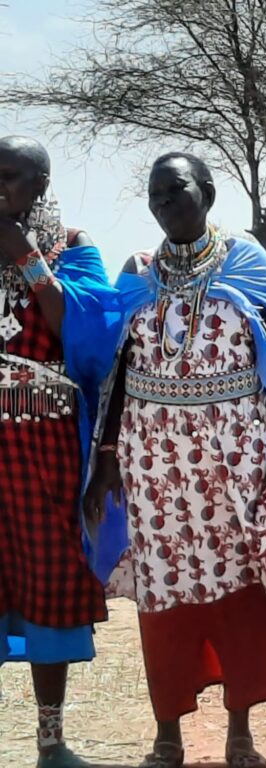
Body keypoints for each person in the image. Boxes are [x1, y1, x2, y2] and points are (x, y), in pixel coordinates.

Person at [85, 152, 266, 768]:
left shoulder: (246, 262)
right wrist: (108, 452)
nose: (165, 202)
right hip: (153, 457)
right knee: (164, 590)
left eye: (177, 189)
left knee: (239, 584)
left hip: (235, 452)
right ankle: (167, 733)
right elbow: (117, 369)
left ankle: (238, 731)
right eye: (155, 194)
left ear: (209, 193)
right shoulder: (137, 272)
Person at [0, 136, 118, 768]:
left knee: (47, 579)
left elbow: (86, 330)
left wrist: (22, 254)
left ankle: (51, 743)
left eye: (10, 176)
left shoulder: (73, 247)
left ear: (40, 185)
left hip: (45, 444)